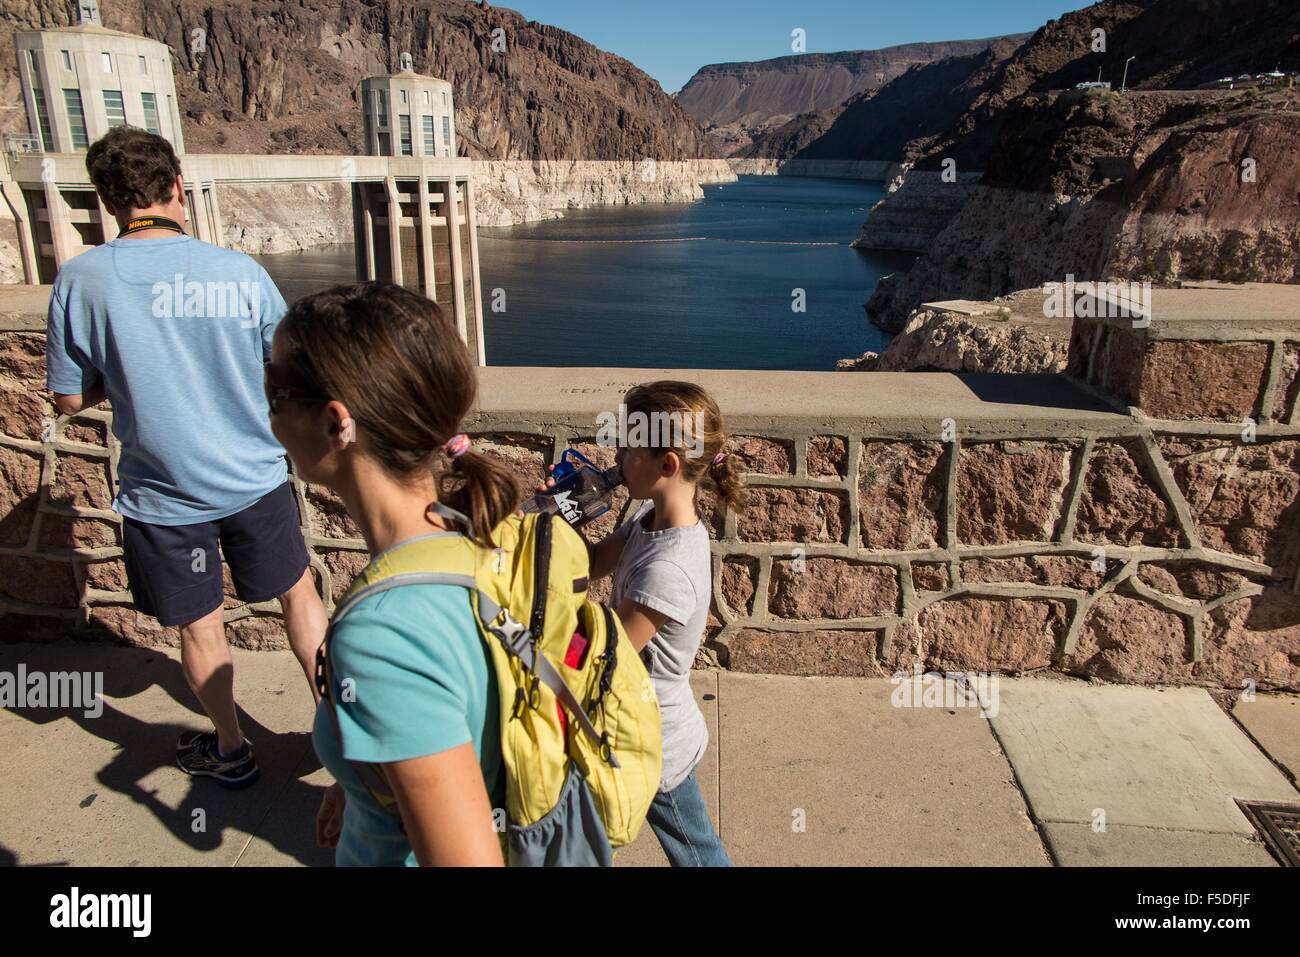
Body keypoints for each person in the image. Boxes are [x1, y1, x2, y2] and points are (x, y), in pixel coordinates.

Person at [46, 126, 327, 788]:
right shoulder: (239, 272)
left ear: (109, 201)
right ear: (178, 186)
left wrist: (119, 377)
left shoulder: (81, 281)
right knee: (299, 596)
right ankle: (338, 732)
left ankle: (231, 748)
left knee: (199, 626)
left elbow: (63, 397)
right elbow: (289, 370)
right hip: (255, 478)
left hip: (163, 497)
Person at [268, 281, 513, 866]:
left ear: (336, 424)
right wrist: (362, 783)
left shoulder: (384, 636)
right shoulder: (474, 536)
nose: (267, 407)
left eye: (275, 387)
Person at [584, 381, 746, 865]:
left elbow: (603, 655)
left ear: (667, 464)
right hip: (624, 723)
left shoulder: (669, 570)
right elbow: (590, 564)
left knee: (698, 855)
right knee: (583, 837)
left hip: (651, 740)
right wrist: (558, 514)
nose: (616, 457)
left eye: (629, 447)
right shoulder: (648, 521)